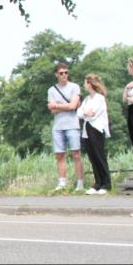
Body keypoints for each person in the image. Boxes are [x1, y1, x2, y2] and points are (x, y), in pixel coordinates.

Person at [46, 62, 85, 192]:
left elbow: (73, 106)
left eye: (66, 73)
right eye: (61, 73)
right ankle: (62, 182)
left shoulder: (74, 87)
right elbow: (52, 110)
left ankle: (80, 183)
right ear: (56, 74)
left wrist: (57, 105)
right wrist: (64, 106)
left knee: (76, 154)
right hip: (58, 126)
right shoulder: (51, 90)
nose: (64, 75)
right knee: (59, 155)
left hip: (72, 125)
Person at [78, 74, 111, 194]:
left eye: (85, 83)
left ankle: (106, 183)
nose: (84, 85)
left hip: (96, 129)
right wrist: (85, 112)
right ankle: (98, 183)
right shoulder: (86, 99)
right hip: (87, 129)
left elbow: (94, 113)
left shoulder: (99, 98)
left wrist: (86, 113)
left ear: (90, 84)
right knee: (92, 157)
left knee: (99, 156)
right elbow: (79, 112)